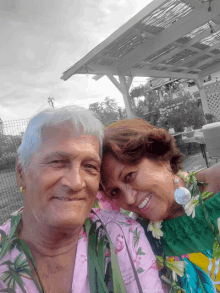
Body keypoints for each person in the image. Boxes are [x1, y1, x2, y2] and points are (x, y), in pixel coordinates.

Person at [0, 107, 164, 293]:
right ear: (21, 172)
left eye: (90, 166)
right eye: (57, 162)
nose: (76, 183)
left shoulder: (123, 237)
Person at [100, 118, 220, 292]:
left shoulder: (216, 184)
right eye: (115, 192)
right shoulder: (137, 240)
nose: (130, 199)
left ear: (160, 156)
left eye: (129, 176)